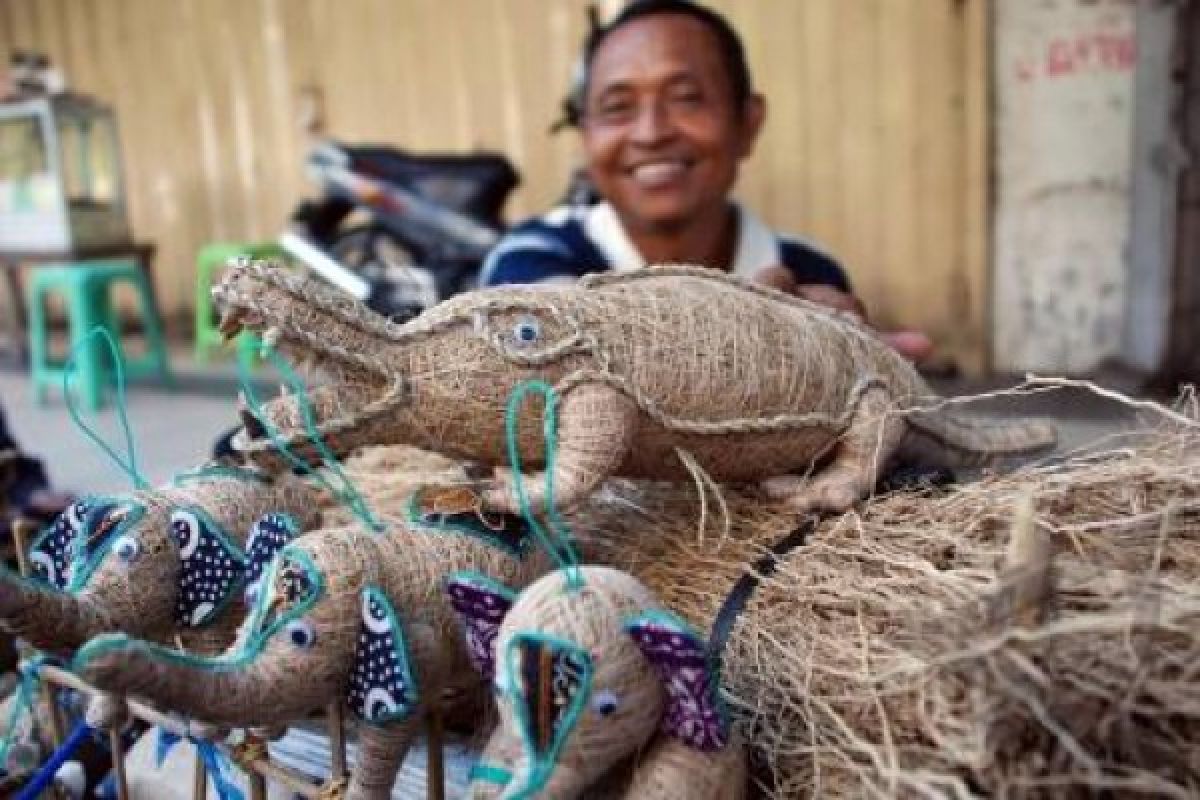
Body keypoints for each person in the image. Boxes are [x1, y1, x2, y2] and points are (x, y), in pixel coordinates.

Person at [480, 0, 932, 361]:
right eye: (617, 107)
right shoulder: (531, 256)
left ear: (748, 124)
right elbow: (541, 324)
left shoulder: (809, 272)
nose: (651, 132)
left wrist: (857, 367)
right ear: (585, 139)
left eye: (687, 98)